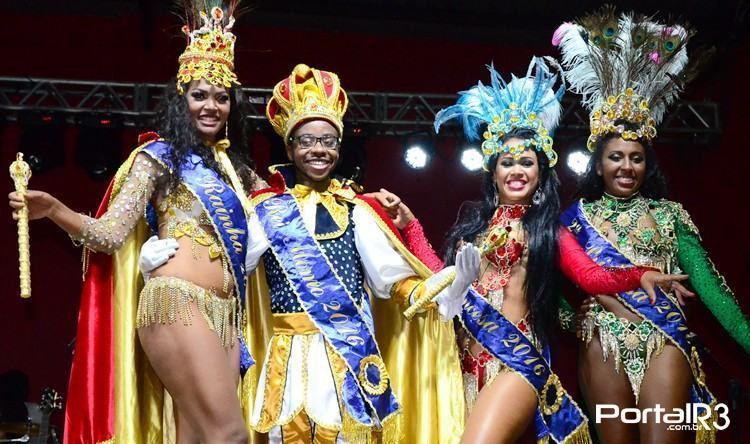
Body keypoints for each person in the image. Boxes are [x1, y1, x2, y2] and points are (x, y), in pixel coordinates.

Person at [141, 63, 473, 443]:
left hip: (349, 365)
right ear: (291, 147)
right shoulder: (265, 210)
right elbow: (226, 266)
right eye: (308, 141)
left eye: (328, 141)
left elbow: (396, 284)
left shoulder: (358, 211)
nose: (319, 150)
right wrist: (159, 269)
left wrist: (451, 286)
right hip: (287, 367)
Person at [390, 57, 691, 444]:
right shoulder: (474, 229)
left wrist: (639, 275)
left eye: (527, 162)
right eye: (507, 162)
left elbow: (590, 275)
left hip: (515, 363)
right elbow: (440, 281)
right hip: (462, 365)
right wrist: (411, 226)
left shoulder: (548, 231)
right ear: (493, 171)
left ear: (540, 172)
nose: (516, 170)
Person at [9, 3, 262, 443]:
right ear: (180, 98)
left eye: (221, 98)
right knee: (231, 435)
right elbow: (108, 234)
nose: (211, 106)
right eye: (199, 95)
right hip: (177, 303)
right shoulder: (158, 158)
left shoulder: (236, 171)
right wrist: (54, 209)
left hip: (225, 316)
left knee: (199, 438)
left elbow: (288, 215)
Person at [553, 8, 750, 443]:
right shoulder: (573, 219)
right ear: (599, 164)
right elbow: (553, 292)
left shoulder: (669, 215)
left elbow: (710, 286)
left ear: (647, 164)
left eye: (636, 157)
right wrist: (572, 317)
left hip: (664, 335)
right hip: (602, 338)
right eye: (616, 157)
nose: (626, 166)